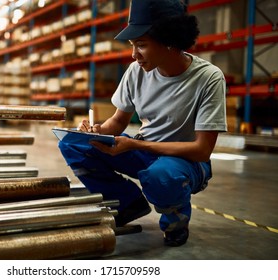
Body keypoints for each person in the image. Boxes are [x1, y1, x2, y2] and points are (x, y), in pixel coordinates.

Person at [58, 0, 227, 247]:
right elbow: (117, 121)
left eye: (142, 45)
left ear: (169, 41)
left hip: (186, 162)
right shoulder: (136, 71)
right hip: (143, 151)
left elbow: (202, 150)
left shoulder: (208, 78)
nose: (134, 55)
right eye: (132, 45)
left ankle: (175, 221)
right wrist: (96, 132)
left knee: (163, 175)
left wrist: (135, 146)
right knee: (74, 145)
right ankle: (128, 203)